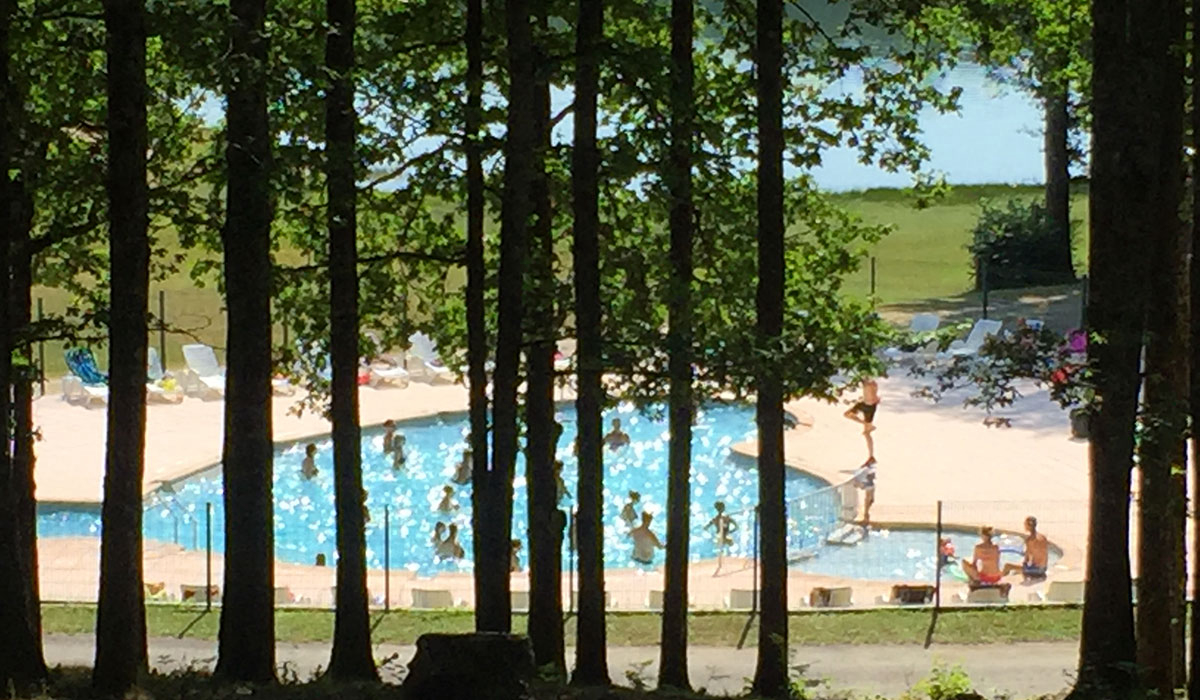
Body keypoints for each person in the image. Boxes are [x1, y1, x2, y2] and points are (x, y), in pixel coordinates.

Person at [843, 378, 880, 465]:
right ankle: (867, 424)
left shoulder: (871, 382)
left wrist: (875, 399)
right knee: (847, 414)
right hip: (863, 403)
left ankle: (871, 456)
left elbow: (874, 392)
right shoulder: (866, 381)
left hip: (870, 407)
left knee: (866, 433)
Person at [1003, 515, 1049, 579]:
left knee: (1007, 566)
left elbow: (1026, 560)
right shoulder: (1043, 537)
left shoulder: (1030, 540)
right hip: (1044, 568)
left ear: (1029, 526)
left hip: (1036, 571)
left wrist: (1023, 567)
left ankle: (1000, 580)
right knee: (1017, 571)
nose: (1024, 526)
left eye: (1025, 524)